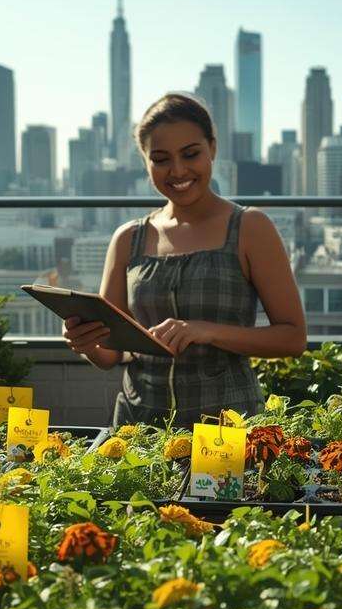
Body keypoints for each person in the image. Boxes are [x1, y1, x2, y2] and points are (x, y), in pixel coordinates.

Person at [63, 92, 306, 427]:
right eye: (161, 159)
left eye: (190, 154)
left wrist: (204, 331)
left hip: (226, 426)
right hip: (140, 429)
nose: (177, 170)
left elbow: (293, 338)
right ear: (145, 162)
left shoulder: (250, 227)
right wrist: (86, 342)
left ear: (213, 149)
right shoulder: (127, 239)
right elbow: (110, 353)